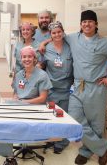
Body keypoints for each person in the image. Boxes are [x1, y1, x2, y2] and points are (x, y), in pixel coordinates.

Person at [39, 10, 107, 165]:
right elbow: (56, 36)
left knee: (96, 124)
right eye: (84, 21)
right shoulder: (73, 38)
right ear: (80, 24)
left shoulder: (105, 42)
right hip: (77, 87)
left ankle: (86, 151)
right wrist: (43, 43)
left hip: (96, 87)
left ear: (96, 24)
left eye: (90, 21)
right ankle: (102, 147)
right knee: (74, 119)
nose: (87, 24)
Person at [0, 46, 52, 158]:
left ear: (34, 58)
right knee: (4, 119)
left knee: (10, 123)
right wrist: (15, 99)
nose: (27, 59)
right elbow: (16, 92)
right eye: (24, 57)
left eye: (29, 56)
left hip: (36, 108)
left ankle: (8, 152)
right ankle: (7, 155)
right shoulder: (19, 75)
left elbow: (42, 98)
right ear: (21, 59)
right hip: (20, 105)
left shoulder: (42, 75)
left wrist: (24, 103)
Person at [42, 21, 74, 154]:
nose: (57, 34)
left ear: (63, 32)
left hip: (66, 88)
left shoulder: (70, 46)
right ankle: (52, 138)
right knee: (51, 115)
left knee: (64, 116)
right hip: (51, 88)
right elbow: (41, 65)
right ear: (50, 34)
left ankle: (62, 142)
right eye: (54, 33)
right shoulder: (46, 48)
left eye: (59, 32)